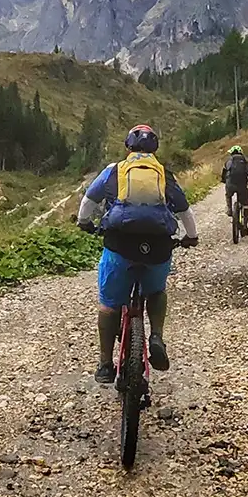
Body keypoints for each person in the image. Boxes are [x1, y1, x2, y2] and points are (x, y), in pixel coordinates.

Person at [76, 124, 199, 384]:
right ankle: (155, 335)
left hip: (120, 246)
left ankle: (106, 364)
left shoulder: (114, 170)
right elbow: (185, 211)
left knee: (109, 304)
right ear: (155, 149)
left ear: (127, 147)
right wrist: (191, 237)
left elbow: (88, 202)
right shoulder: (164, 174)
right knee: (156, 291)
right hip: (157, 249)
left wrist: (84, 223)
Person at [221, 145, 248, 217]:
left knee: (228, 195)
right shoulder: (245, 162)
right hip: (242, 186)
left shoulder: (228, 161)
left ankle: (229, 209)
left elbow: (224, 172)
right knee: (245, 203)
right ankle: (245, 224)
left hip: (231, 185)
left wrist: (224, 180)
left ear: (231, 153)